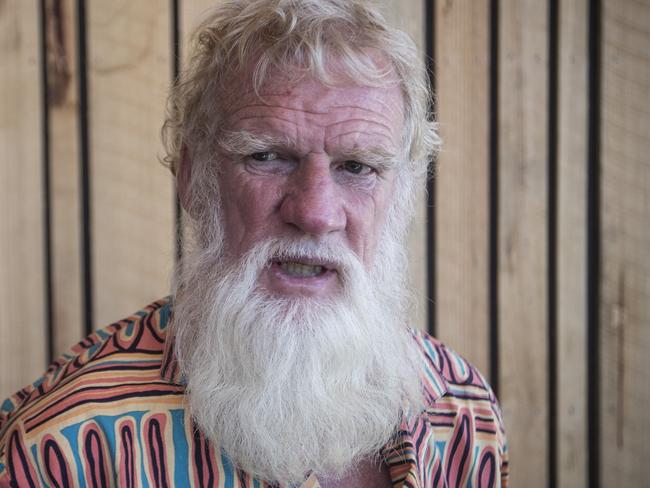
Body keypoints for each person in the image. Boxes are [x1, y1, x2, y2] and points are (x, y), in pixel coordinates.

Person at [0, 1, 508, 486]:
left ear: (402, 196)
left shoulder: (463, 413)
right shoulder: (60, 448)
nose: (314, 213)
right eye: (267, 157)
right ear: (193, 179)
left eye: (358, 167)